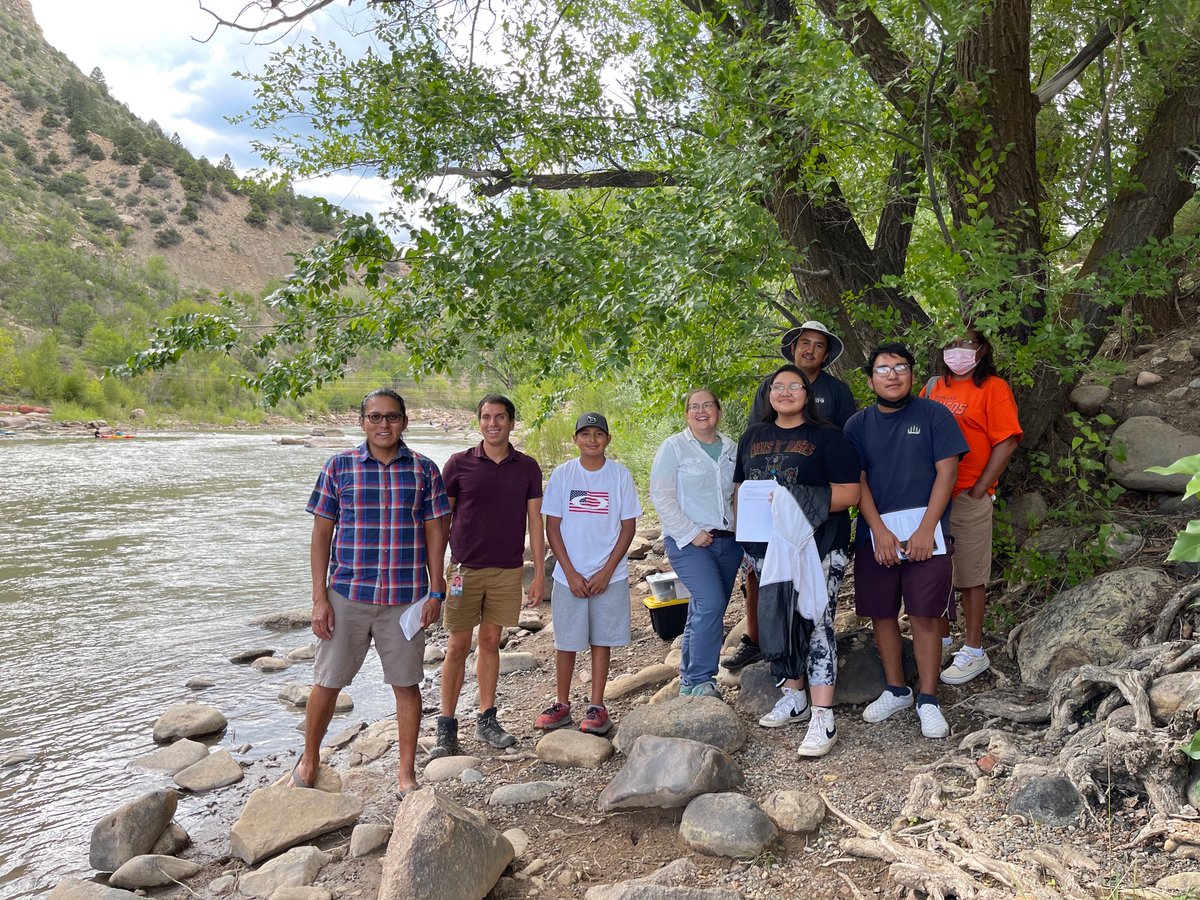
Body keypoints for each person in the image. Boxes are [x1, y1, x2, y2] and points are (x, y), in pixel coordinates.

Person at [293, 388, 449, 795]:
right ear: (361, 422)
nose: (384, 425)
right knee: (327, 681)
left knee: (406, 684)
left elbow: (437, 534)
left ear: (404, 421)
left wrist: (436, 591)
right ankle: (310, 757)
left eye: (392, 417)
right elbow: (321, 536)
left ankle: (405, 773)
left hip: (405, 597)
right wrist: (319, 598)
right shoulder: (338, 467)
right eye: (375, 417)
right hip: (348, 594)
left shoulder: (424, 470)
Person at [733, 365, 861, 756]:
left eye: (794, 386)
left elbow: (849, 493)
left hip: (818, 544)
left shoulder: (828, 437)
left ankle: (823, 716)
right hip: (768, 549)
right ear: (768, 394)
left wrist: (790, 500)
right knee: (780, 617)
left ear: (808, 393)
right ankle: (794, 694)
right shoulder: (753, 436)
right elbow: (741, 488)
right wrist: (748, 539)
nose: (785, 392)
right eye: (777, 386)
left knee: (817, 620)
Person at [844, 343, 968, 739]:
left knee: (924, 614)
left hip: (926, 533)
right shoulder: (857, 425)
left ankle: (928, 699)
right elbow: (857, 480)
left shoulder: (935, 415)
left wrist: (926, 529)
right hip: (875, 534)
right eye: (883, 369)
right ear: (870, 379)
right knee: (882, 613)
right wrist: (878, 531)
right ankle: (896, 689)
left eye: (900, 367)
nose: (892, 374)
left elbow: (946, 475)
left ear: (912, 375)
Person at [725, 320, 857, 674]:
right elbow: (749, 469)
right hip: (765, 527)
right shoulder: (762, 413)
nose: (809, 349)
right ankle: (766, 652)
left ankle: (819, 690)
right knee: (770, 596)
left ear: (826, 354)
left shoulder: (836, 395)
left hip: (818, 526)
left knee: (814, 609)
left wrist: (799, 497)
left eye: (818, 345)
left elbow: (846, 458)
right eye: (803, 343)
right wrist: (744, 527)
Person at [432, 394, 546, 756]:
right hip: (464, 570)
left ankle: (486, 718)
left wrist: (540, 573)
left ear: (512, 423)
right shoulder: (458, 464)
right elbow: (441, 521)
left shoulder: (527, 467)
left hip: (508, 570)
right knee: (456, 645)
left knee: (490, 641)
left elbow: (535, 522)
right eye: (486, 417)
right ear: (478, 422)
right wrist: (436, 572)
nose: (493, 423)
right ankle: (446, 727)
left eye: (500, 417)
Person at [920, 328, 1022, 684]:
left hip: (968, 495)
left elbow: (1006, 441)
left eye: (966, 344)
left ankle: (974, 650)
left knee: (970, 574)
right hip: (933, 496)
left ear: (981, 350)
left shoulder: (994, 388)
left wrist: (981, 488)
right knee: (937, 570)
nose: (958, 350)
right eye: (951, 344)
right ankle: (944, 640)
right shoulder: (934, 388)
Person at [535, 413, 641, 735]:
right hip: (571, 576)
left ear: (608, 439)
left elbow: (628, 526)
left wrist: (607, 571)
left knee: (601, 638)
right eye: (585, 434)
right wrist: (569, 571)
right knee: (566, 640)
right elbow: (552, 526)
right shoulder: (564, 475)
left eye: (598, 434)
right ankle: (562, 703)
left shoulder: (619, 476)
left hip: (609, 574)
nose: (592, 440)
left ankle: (596, 706)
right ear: (575, 439)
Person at [649, 389, 742, 698]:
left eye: (708, 405)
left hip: (728, 542)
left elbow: (738, 495)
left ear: (719, 411)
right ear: (687, 414)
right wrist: (691, 533)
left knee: (705, 608)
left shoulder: (733, 448)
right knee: (711, 602)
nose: (701, 411)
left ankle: (689, 681)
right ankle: (702, 679)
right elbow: (662, 496)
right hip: (689, 542)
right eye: (694, 407)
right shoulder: (674, 448)